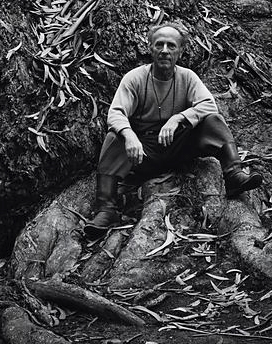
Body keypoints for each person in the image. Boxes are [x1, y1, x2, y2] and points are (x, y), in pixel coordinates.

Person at [84, 23, 262, 238]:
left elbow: (209, 105)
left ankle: (233, 175)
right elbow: (115, 113)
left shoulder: (187, 77)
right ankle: (106, 209)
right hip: (143, 154)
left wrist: (179, 118)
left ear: (180, 51)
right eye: (159, 44)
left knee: (213, 120)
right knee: (115, 137)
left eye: (171, 45)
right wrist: (130, 136)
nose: (165, 50)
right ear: (150, 48)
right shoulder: (134, 78)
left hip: (178, 148)